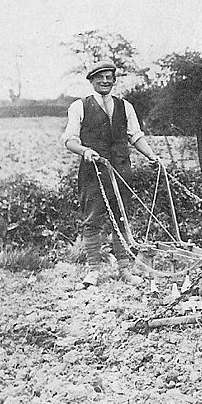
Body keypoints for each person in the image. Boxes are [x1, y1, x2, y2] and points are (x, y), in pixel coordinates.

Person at [62, 60, 161, 288]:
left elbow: (135, 136)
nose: (105, 81)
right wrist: (85, 150)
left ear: (114, 80)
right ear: (91, 80)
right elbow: (70, 140)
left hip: (121, 170)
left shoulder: (125, 106)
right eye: (100, 77)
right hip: (93, 171)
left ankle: (125, 269)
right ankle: (94, 271)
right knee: (92, 220)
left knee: (122, 219)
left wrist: (152, 156)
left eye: (109, 77)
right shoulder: (79, 106)